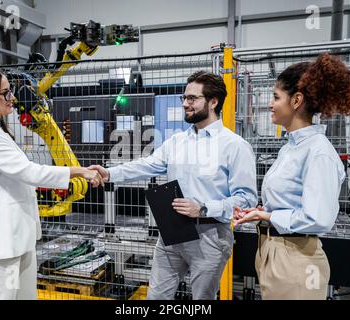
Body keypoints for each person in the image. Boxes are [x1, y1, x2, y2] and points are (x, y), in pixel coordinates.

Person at [90, 71, 258, 300]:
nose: (185, 104)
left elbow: (246, 200)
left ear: (213, 101)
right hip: (173, 230)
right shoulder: (178, 141)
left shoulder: (235, 146)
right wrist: (109, 173)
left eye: (192, 98)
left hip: (210, 235)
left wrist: (203, 207)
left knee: (201, 300)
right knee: (156, 297)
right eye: (184, 98)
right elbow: (147, 165)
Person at [0, 65, 103, 300]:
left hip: (18, 239)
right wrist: (79, 172)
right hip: (1, 245)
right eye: (5, 93)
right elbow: (28, 172)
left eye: (10, 90)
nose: (12, 98)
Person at [233, 53, 350, 300]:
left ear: (296, 100)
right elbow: (289, 201)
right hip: (273, 252)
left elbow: (317, 218)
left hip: (297, 262)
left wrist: (266, 215)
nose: (270, 104)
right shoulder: (291, 147)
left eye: (276, 97)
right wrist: (260, 211)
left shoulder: (318, 152)